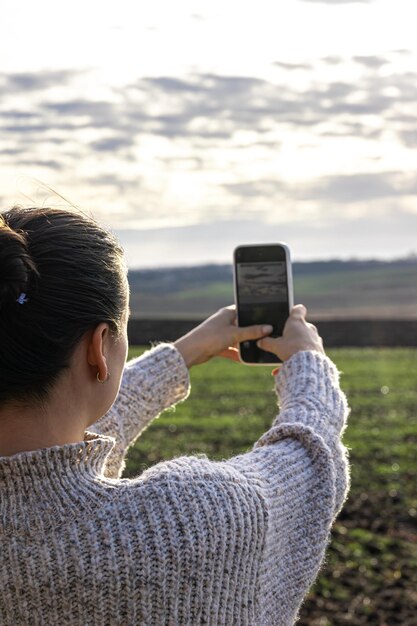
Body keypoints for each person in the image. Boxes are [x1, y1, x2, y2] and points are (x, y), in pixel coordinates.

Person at [0, 206, 350, 626]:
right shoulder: (186, 521)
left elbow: (56, 439)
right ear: (99, 347)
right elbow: (310, 460)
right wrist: (308, 362)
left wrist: (181, 355)